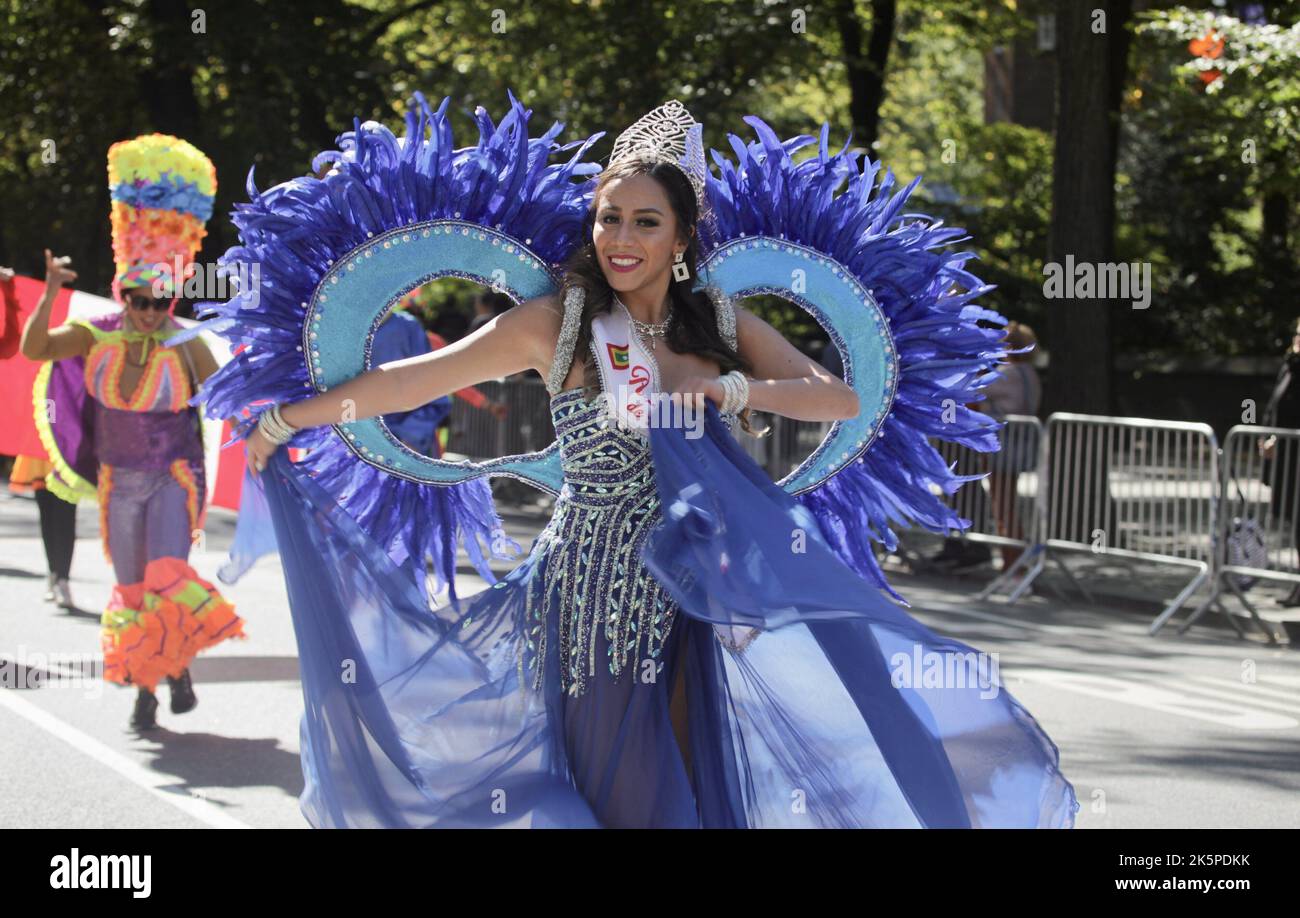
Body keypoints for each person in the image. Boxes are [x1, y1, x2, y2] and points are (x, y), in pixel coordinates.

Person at [235, 100, 1078, 828]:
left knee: (687, 782)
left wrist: (726, 384)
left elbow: (835, 397)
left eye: (645, 222)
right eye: (609, 218)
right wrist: (282, 419)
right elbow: (406, 381)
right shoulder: (556, 322)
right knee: (628, 795)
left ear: (680, 235)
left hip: (693, 601)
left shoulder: (713, 315)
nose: (620, 239)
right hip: (594, 598)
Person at [19, 134, 245, 730]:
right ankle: (148, 682)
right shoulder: (97, 333)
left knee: (168, 573)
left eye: (161, 299)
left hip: (172, 478)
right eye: (141, 300)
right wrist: (48, 294)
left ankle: (176, 670)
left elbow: (228, 397)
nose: (150, 311)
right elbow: (35, 347)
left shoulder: (185, 342)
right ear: (125, 293)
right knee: (132, 585)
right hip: (119, 482)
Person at [2, 266, 78, 608]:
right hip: (39, 447)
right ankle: (55, 574)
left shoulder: (79, 352)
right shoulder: (35, 358)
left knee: (65, 512)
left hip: (70, 448)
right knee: (49, 511)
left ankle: (61, 576)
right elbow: (11, 345)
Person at [976, 321, 1042, 574]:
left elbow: (977, 389)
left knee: (1003, 503)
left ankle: (1013, 562)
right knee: (1008, 501)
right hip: (1023, 441)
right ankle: (1015, 559)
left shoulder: (1009, 373)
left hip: (1004, 443)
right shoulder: (1030, 373)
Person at [1258, 316, 1300, 605]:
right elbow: (1276, 406)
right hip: (1288, 459)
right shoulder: (1290, 365)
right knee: (1295, 523)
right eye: (1297, 333)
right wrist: (1267, 437)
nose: (1298, 338)